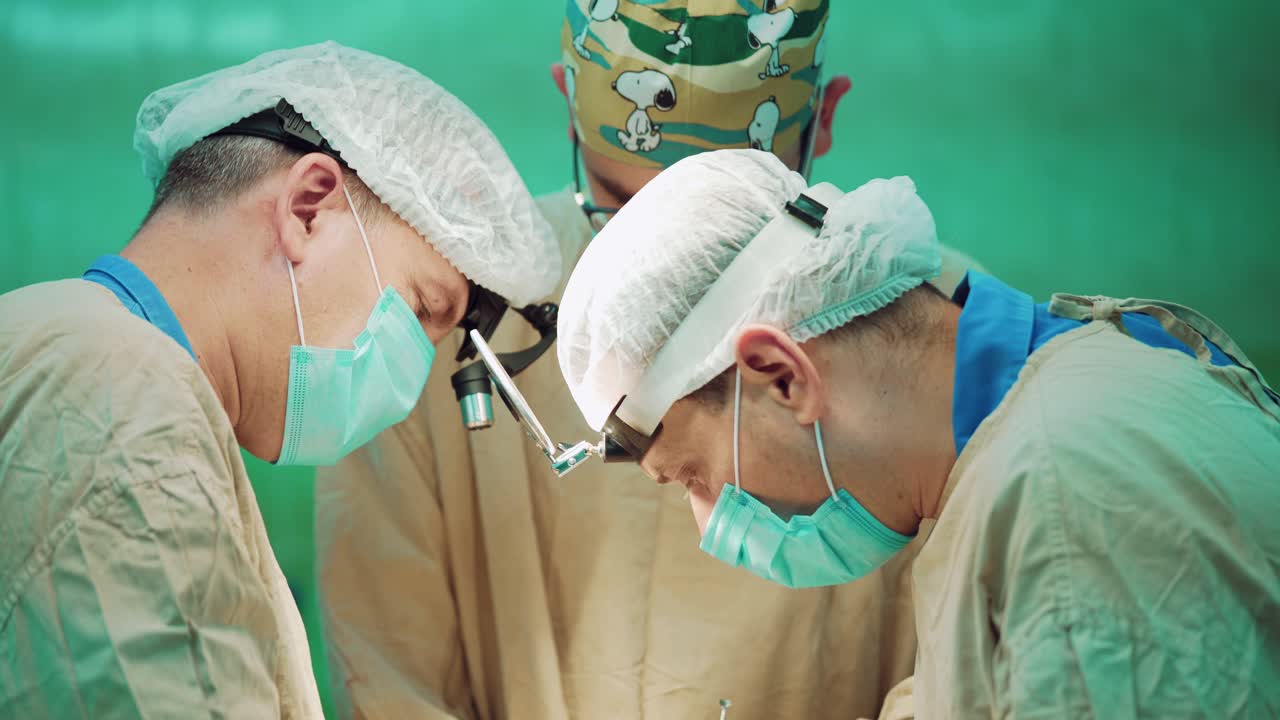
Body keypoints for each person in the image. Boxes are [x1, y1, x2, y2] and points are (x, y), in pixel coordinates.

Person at [316, 2, 986, 719]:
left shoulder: (932, 338)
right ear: (569, 107)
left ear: (822, 121)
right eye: (624, 207)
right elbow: (388, 679)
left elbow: (963, 672)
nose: (658, 273)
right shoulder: (444, 313)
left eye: (730, 234)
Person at [555, 148, 1280, 718]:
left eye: (693, 477)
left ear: (781, 375)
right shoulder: (1039, 428)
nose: (708, 521)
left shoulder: (1068, 504)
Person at [0, 42, 560, 718]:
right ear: (309, 207)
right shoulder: (124, 401)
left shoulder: (65, 348)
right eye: (418, 308)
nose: (404, 388)